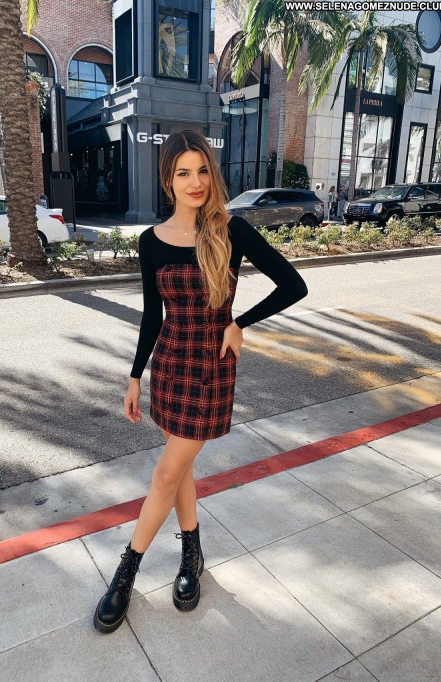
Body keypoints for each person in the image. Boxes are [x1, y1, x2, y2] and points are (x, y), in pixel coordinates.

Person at [93, 130, 308, 634]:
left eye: (203, 170)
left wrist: (239, 323)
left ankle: (126, 573)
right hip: (170, 365)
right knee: (180, 469)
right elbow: (152, 315)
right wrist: (134, 377)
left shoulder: (232, 230)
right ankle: (192, 553)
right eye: (183, 172)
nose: (195, 182)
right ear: (168, 180)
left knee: (166, 474)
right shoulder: (151, 241)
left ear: (212, 173)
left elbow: (293, 285)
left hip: (211, 368)